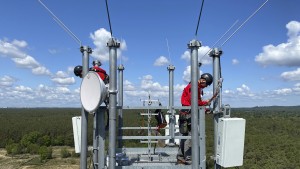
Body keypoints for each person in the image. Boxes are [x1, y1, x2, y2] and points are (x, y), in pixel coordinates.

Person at [177, 73, 213, 165]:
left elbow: (196, 102)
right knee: (190, 137)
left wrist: (204, 109)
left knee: (184, 136)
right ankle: (188, 159)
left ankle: (180, 157)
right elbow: (194, 101)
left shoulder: (193, 86)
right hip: (188, 114)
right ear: (203, 80)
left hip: (185, 113)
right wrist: (205, 103)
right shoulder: (194, 87)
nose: (205, 87)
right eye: (206, 84)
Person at [74, 60, 110, 130]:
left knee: (109, 108)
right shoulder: (91, 73)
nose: (80, 77)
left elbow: (101, 79)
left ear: (81, 72)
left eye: (80, 75)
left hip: (106, 87)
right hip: (101, 89)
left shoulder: (92, 73)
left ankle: (109, 124)